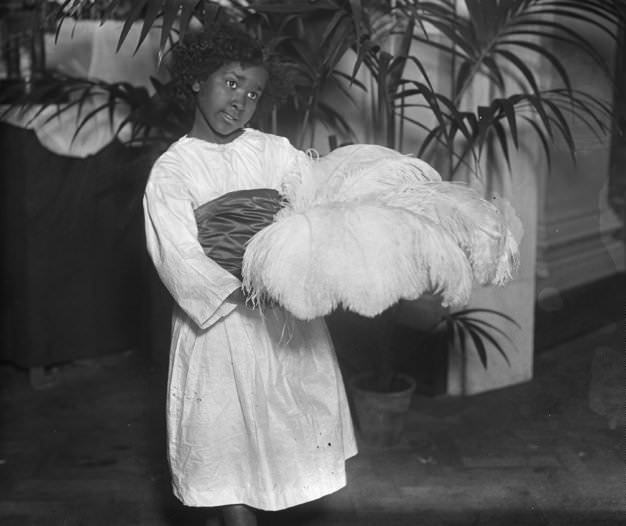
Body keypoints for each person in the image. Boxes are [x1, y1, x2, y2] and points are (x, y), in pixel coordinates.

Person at [142, 21, 357, 526]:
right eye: (231, 83)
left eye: (254, 92)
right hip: (222, 330)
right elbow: (178, 258)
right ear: (197, 80)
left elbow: (312, 206)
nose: (241, 101)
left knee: (286, 449)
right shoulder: (173, 171)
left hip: (284, 320)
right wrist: (246, 290)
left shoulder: (273, 151)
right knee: (229, 453)